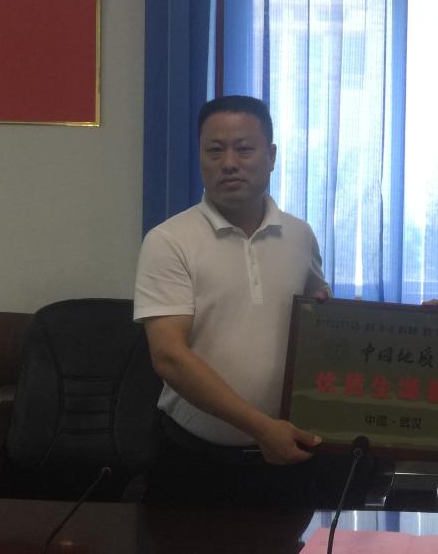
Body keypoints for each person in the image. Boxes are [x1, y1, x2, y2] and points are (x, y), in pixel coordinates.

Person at [134, 94, 331, 507]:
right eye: (215, 150)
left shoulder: (300, 235)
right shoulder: (169, 241)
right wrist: (261, 427)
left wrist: (327, 311)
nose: (229, 163)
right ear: (200, 157)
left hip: (287, 457)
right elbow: (169, 356)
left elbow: (318, 307)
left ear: (271, 156)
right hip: (194, 461)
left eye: (244, 149)